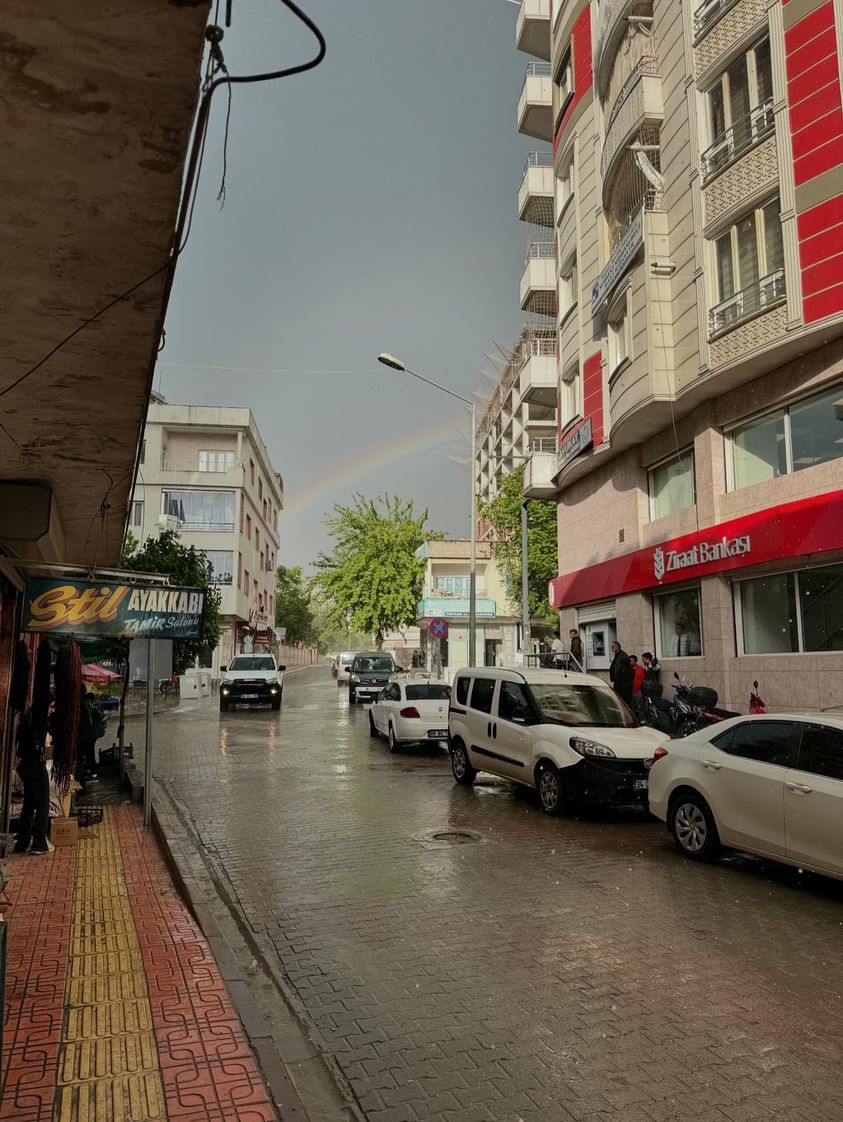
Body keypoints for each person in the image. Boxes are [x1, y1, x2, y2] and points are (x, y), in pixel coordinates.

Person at [14, 707, 52, 854]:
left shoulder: (26, 718)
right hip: (35, 766)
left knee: (29, 805)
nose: (52, 711)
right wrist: (46, 740)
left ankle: (22, 843)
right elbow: (37, 745)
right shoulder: (37, 721)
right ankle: (39, 843)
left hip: (25, 767)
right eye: (51, 706)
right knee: (43, 803)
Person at [609, 640, 634, 707]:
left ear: (617, 646)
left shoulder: (623, 655)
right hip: (618, 681)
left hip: (622, 684)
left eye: (613, 646)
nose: (611, 648)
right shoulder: (617, 655)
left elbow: (624, 670)